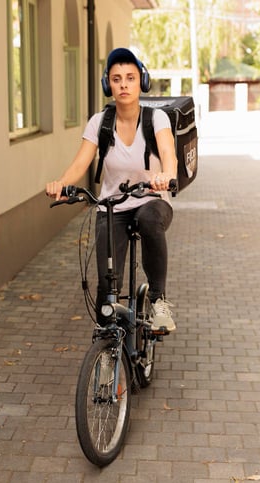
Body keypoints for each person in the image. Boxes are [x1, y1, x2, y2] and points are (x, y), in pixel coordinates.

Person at [46, 47, 177, 331]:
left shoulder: (157, 119)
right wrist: (62, 183)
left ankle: (158, 302)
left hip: (151, 200)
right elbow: (80, 163)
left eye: (130, 78)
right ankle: (108, 347)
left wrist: (166, 176)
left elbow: (169, 154)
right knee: (107, 286)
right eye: (116, 79)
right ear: (108, 84)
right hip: (112, 205)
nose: (123, 85)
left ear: (141, 81)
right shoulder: (99, 122)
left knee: (149, 220)